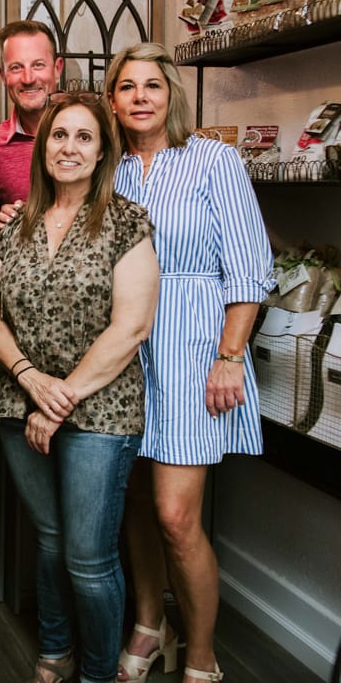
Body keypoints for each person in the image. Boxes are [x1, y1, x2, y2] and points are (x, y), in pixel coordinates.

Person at [0, 91, 160, 683]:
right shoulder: (16, 222)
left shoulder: (126, 220)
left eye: (84, 136)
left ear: (103, 150)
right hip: (19, 403)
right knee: (51, 540)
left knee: (88, 558)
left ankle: (98, 674)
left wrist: (59, 401)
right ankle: (55, 651)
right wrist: (29, 378)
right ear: (43, 146)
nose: (69, 147)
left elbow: (132, 326)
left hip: (101, 412)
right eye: (59, 135)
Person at [106, 43, 274, 683]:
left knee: (176, 516)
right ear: (113, 101)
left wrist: (230, 356)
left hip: (193, 349)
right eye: (127, 86)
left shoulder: (212, 160)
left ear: (171, 94)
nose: (140, 97)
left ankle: (203, 657)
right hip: (124, 350)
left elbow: (250, 268)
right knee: (135, 503)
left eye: (152, 85)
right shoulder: (109, 169)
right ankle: (152, 627)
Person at [0, 20, 64, 208]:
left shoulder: (91, 133)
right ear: (3, 76)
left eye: (38, 65)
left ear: (57, 69)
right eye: (16, 67)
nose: (28, 79)